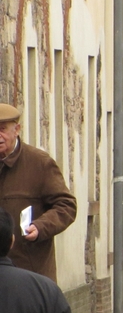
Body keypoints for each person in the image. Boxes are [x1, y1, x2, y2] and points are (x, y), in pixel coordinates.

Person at [0, 103, 77, 282]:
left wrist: (41, 227)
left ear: (17, 130)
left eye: (3, 130)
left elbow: (66, 205)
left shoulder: (39, 163)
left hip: (30, 272)